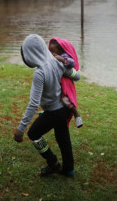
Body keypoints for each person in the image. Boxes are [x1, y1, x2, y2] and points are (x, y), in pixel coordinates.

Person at [14, 34, 80, 177]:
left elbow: (34, 103)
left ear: (29, 54)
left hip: (53, 112)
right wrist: (66, 64)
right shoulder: (56, 62)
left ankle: (53, 163)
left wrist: (21, 128)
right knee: (63, 138)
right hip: (64, 109)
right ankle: (69, 169)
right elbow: (76, 76)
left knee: (33, 134)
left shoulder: (39, 73)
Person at [49, 38, 83, 128]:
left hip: (65, 83)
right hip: (53, 104)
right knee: (61, 132)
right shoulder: (52, 59)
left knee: (65, 99)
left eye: (53, 50)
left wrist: (62, 59)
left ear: (59, 49)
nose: (52, 53)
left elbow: (72, 64)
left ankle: (76, 115)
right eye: (50, 50)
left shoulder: (64, 56)